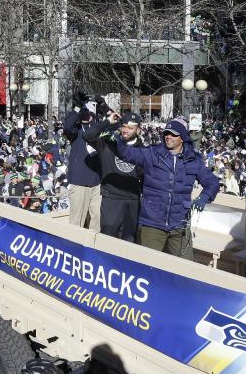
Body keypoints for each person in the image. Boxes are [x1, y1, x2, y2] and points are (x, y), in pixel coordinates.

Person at [114, 117, 220, 260]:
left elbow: (212, 182)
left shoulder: (193, 160)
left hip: (179, 224)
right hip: (152, 224)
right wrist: (117, 141)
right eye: (166, 133)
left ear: (182, 137)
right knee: (148, 266)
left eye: (173, 134)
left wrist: (204, 196)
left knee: (186, 268)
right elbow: (127, 153)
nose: (168, 136)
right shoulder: (152, 154)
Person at [83, 111, 144, 241]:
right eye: (124, 126)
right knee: (107, 239)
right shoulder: (109, 143)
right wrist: (107, 122)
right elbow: (87, 135)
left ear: (138, 130)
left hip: (132, 200)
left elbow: (144, 177)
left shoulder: (143, 150)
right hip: (111, 197)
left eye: (130, 127)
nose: (126, 130)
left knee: (128, 242)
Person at [63, 96, 101, 232]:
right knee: (76, 220)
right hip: (79, 181)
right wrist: (78, 107)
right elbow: (67, 126)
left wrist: (103, 106)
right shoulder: (76, 130)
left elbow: (113, 125)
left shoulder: (98, 128)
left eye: (88, 113)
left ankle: (95, 248)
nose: (85, 115)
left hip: (97, 181)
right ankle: (75, 249)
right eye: (83, 113)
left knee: (97, 218)